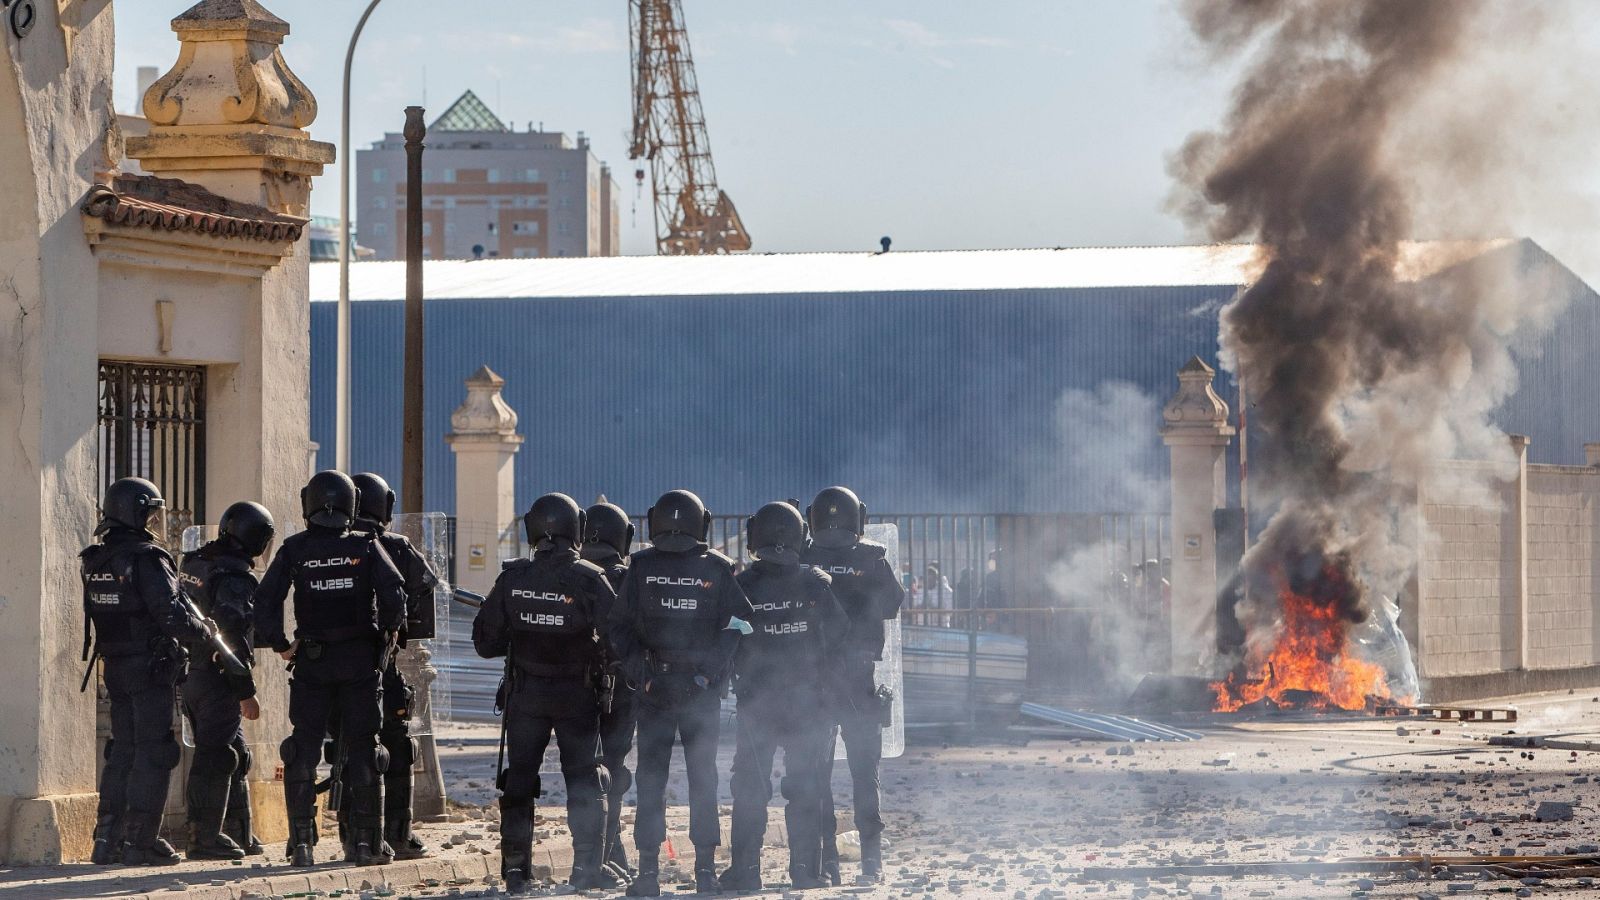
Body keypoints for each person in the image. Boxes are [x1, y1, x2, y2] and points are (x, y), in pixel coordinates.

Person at [255, 470, 407, 867]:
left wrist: (281, 644)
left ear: (308, 504)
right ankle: (367, 844)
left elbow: (265, 600)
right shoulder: (366, 545)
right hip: (359, 663)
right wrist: (387, 637)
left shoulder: (294, 549)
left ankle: (302, 844)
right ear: (351, 504)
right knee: (366, 750)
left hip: (313, 662)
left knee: (301, 750)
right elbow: (395, 593)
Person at [608, 489, 754, 897]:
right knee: (701, 780)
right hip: (692, 691)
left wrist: (642, 674)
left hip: (661, 688)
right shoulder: (717, 568)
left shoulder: (640, 567)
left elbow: (616, 627)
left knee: (651, 779)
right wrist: (708, 675)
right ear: (702, 522)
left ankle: (650, 875)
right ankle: (702, 873)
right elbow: (740, 625)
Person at [474, 493, 617, 892]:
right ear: (577, 529)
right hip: (577, 697)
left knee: (519, 780)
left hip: (526, 697)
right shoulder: (590, 579)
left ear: (531, 529)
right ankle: (587, 869)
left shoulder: (513, 578)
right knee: (586, 780)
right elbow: (618, 638)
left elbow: (485, 643)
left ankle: (515, 871)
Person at [81, 477, 219, 866]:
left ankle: (106, 839)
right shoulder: (148, 557)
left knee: (122, 750)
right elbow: (170, 613)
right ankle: (141, 842)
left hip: (115, 666)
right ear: (137, 512)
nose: (155, 521)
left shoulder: (97, 558)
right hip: (149, 667)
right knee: (154, 752)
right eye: (151, 513)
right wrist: (204, 632)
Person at [720, 502, 847, 892]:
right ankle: (807, 871)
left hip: (758, 702)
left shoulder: (742, 585)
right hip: (807, 703)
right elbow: (839, 634)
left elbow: (726, 640)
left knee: (750, 786)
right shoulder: (816, 583)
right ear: (799, 537)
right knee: (806, 785)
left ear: (755, 537)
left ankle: (745, 872)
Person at [802, 486, 905, 885]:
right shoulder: (872, 558)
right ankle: (871, 863)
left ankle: (827, 864)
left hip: (816, 680)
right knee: (866, 774)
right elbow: (893, 604)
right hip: (858, 679)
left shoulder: (805, 557)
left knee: (818, 775)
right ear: (858, 517)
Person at [349, 472, 440, 861]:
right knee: (397, 747)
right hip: (381, 664)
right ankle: (398, 835)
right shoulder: (395, 546)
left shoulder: (328, 545)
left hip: (334, 667)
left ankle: (353, 835)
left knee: (351, 748)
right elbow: (427, 583)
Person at [179, 501, 275, 860]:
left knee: (236, 754)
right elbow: (231, 635)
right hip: (217, 678)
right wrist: (246, 692)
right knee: (215, 757)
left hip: (189, 672)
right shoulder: (235, 576)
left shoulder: (194, 562)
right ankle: (203, 838)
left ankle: (238, 833)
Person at [581, 499, 638, 885]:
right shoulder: (630, 578)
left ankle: (599, 853)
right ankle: (607, 851)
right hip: (619, 688)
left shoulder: (572, 572)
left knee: (584, 770)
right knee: (613, 771)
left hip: (572, 687)